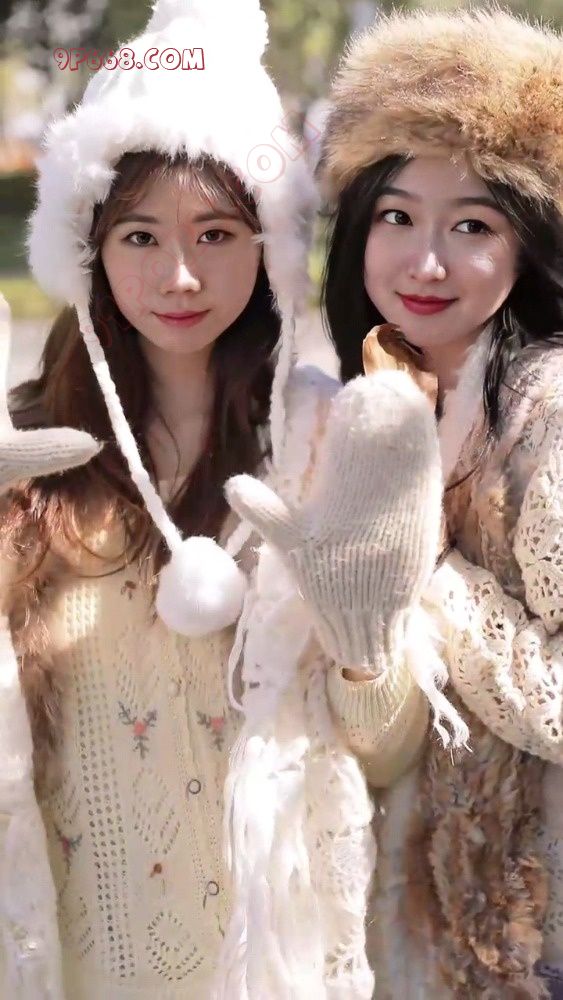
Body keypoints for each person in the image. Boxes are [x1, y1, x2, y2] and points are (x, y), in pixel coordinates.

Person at [0, 0, 452, 998]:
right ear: (87, 247)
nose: (179, 274)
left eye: (215, 233)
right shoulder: (26, 456)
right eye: (139, 235)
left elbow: (388, 755)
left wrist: (361, 634)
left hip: (270, 966)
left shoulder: (332, 440)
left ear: (268, 246)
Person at [310, 8, 562, 998]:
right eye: (395, 215)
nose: (424, 262)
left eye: (471, 226)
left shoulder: (545, 411)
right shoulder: (374, 392)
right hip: (423, 921)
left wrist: (413, 550)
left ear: (527, 245)